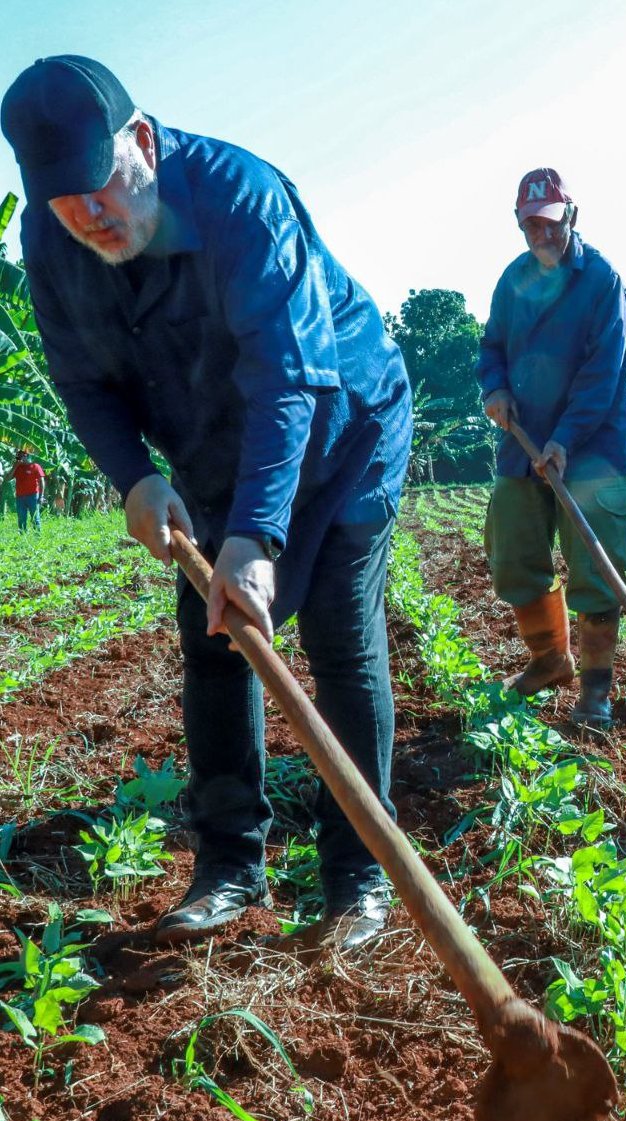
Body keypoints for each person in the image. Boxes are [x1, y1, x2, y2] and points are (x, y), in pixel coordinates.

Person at [2, 56, 413, 948]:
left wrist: (258, 535)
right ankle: (229, 869)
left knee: (340, 636)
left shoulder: (244, 202)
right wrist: (136, 478)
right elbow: (81, 380)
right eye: (65, 204)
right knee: (215, 638)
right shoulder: (51, 235)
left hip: (342, 430)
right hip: (210, 455)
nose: (89, 218)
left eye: (101, 190)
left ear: (141, 140)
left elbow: (287, 382)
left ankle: (358, 880)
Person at [478, 167, 626, 728]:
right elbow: (491, 345)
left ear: (572, 216)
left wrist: (564, 440)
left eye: (550, 223)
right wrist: (495, 387)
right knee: (516, 557)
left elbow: (602, 373)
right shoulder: (511, 280)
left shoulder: (600, 280)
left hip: (590, 448)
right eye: (530, 226)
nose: (541, 236)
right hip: (523, 444)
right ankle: (549, 662)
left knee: (596, 570)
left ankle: (596, 693)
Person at [4, 449, 45, 530]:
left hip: (33, 496)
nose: (19, 459)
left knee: (35, 518)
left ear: (26, 456)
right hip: (20, 497)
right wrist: (14, 466)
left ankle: (37, 537)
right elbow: (7, 479)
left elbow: (42, 482)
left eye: (21, 456)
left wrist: (41, 496)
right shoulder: (17, 468)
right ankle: (22, 536)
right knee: (21, 519)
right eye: (18, 457)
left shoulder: (35, 466)